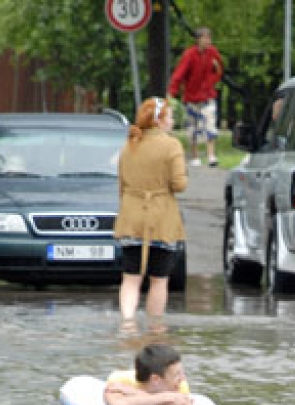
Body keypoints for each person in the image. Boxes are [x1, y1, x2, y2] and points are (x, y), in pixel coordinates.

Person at [115, 96, 188, 331]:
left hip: (131, 218)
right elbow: (179, 185)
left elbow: (122, 185)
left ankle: (127, 324)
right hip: (161, 220)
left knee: (131, 277)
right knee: (158, 279)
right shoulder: (171, 145)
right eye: (170, 116)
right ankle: (155, 329)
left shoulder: (130, 145)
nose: (173, 121)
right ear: (159, 120)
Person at [167, 27, 224, 167]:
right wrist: (172, 92)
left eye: (209, 38)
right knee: (193, 128)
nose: (207, 41)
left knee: (210, 124)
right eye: (204, 38)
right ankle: (195, 156)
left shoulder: (213, 53)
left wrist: (212, 80)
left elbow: (219, 70)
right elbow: (179, 74)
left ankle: (211, 155)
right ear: (198, 40)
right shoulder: (190, 55)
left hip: (208, 96)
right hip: (192, 98)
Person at [103, 343, 193, 405]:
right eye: (177, 374)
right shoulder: (121, 380)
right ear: (156, 379)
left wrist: (135, 393)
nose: (183, 378)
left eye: (182, 373)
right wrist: (167, 397)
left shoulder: (180, 385)